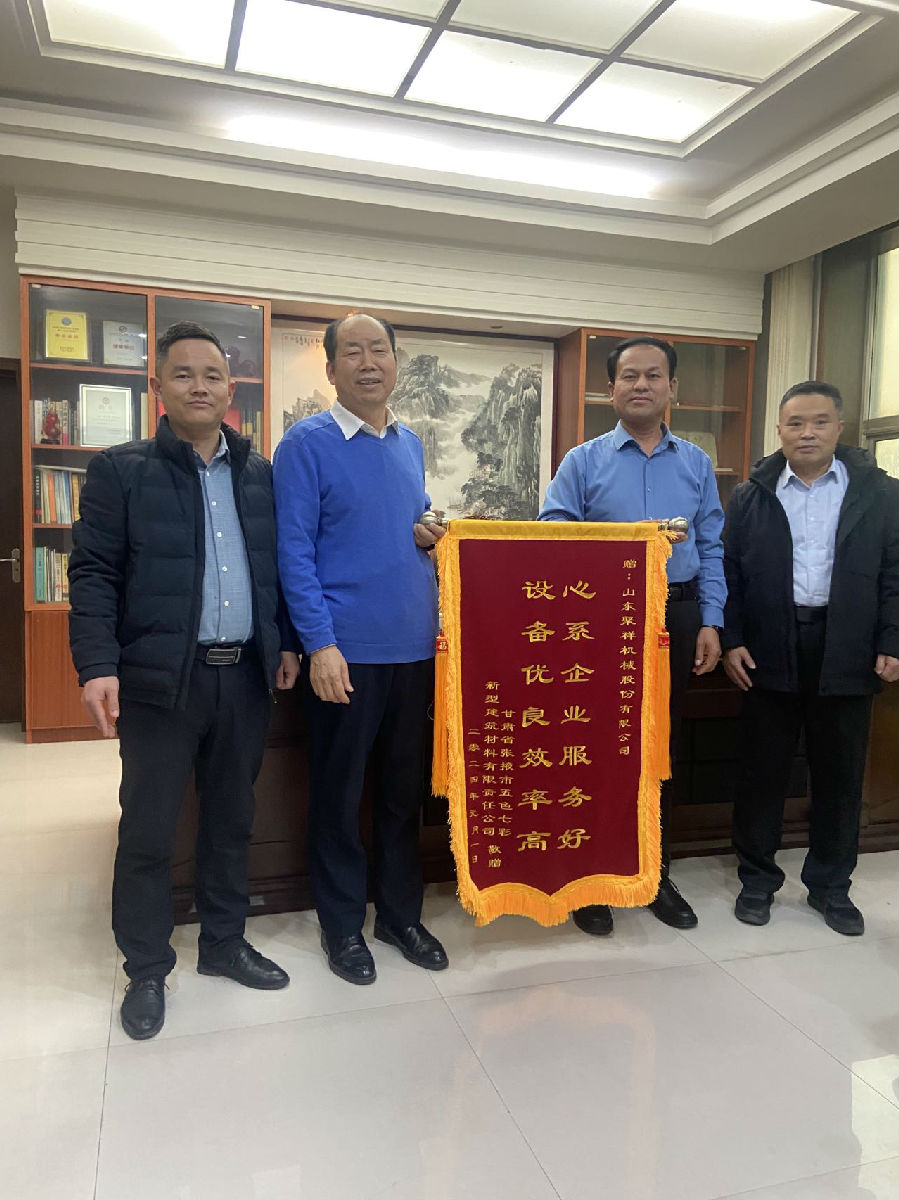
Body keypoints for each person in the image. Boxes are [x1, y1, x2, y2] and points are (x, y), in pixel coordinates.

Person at [69, 321, 299, 1040]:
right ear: (158, 387)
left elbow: (277, 570)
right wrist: (97, 665)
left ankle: (224, 943)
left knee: (231, 819)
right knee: (149, 827)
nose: (199, 386)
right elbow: (94, 574)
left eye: (212, 375)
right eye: (183, 374)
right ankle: (145, 967)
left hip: (245, 677)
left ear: (231, 390)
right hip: (159, 682)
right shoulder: (121, 471)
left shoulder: (258, 474)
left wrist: (285, 643)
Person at [273, 312, 448, 985]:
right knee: (339, 797)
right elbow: (294, 552)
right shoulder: (306, 444)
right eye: (353, 352)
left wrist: (427, 529)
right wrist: (319, 643)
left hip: (414, 649)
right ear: (331, 368)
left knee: (403, 796)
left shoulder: (409, 443)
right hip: (345, 654)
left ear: (396, 363)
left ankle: (401, 915)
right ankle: (343, 925)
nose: (369, 362)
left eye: (380, 350)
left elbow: (407, 520)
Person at [539, 336, 725, 935]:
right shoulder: (582, 461)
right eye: (629, 376)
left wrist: (712, 620)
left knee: (659, 748)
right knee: (595, 746)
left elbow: (712, 547)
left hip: (678, 612)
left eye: (653, 375)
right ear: (610, 389)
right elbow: (553, 539)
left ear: (673, 388)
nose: (641, 385)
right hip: (601, 620)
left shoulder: (696, 463)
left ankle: (654, 872)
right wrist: (627, 541)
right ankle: (592, 876)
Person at [723, 381, 898, 935]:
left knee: (840, 775)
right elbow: (729, 573)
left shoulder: (881, 494)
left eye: (819, 422)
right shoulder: (751, 495)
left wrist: (892, 640)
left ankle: (830, 887)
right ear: (779, 429)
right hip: (769, 645)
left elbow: (895, 574)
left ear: (839, 427)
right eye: (795, 423)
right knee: (762, 772)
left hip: (848, 644)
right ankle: (757, 880)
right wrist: (732, 639)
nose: (807, 433)